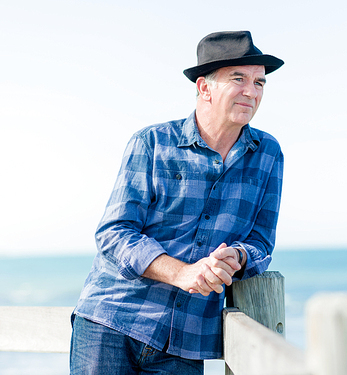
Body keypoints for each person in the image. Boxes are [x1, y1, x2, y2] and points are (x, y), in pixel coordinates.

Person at [70, 30, 284, 374]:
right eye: (239, 78)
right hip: (110, 323)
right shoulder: (151, 143)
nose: (251, 91)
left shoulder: (268, 154)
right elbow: (113, 233)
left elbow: (261, 242)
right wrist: (182, 273)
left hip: (187, 338)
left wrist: (239, 257)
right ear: (204, 88)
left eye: (259, 82)